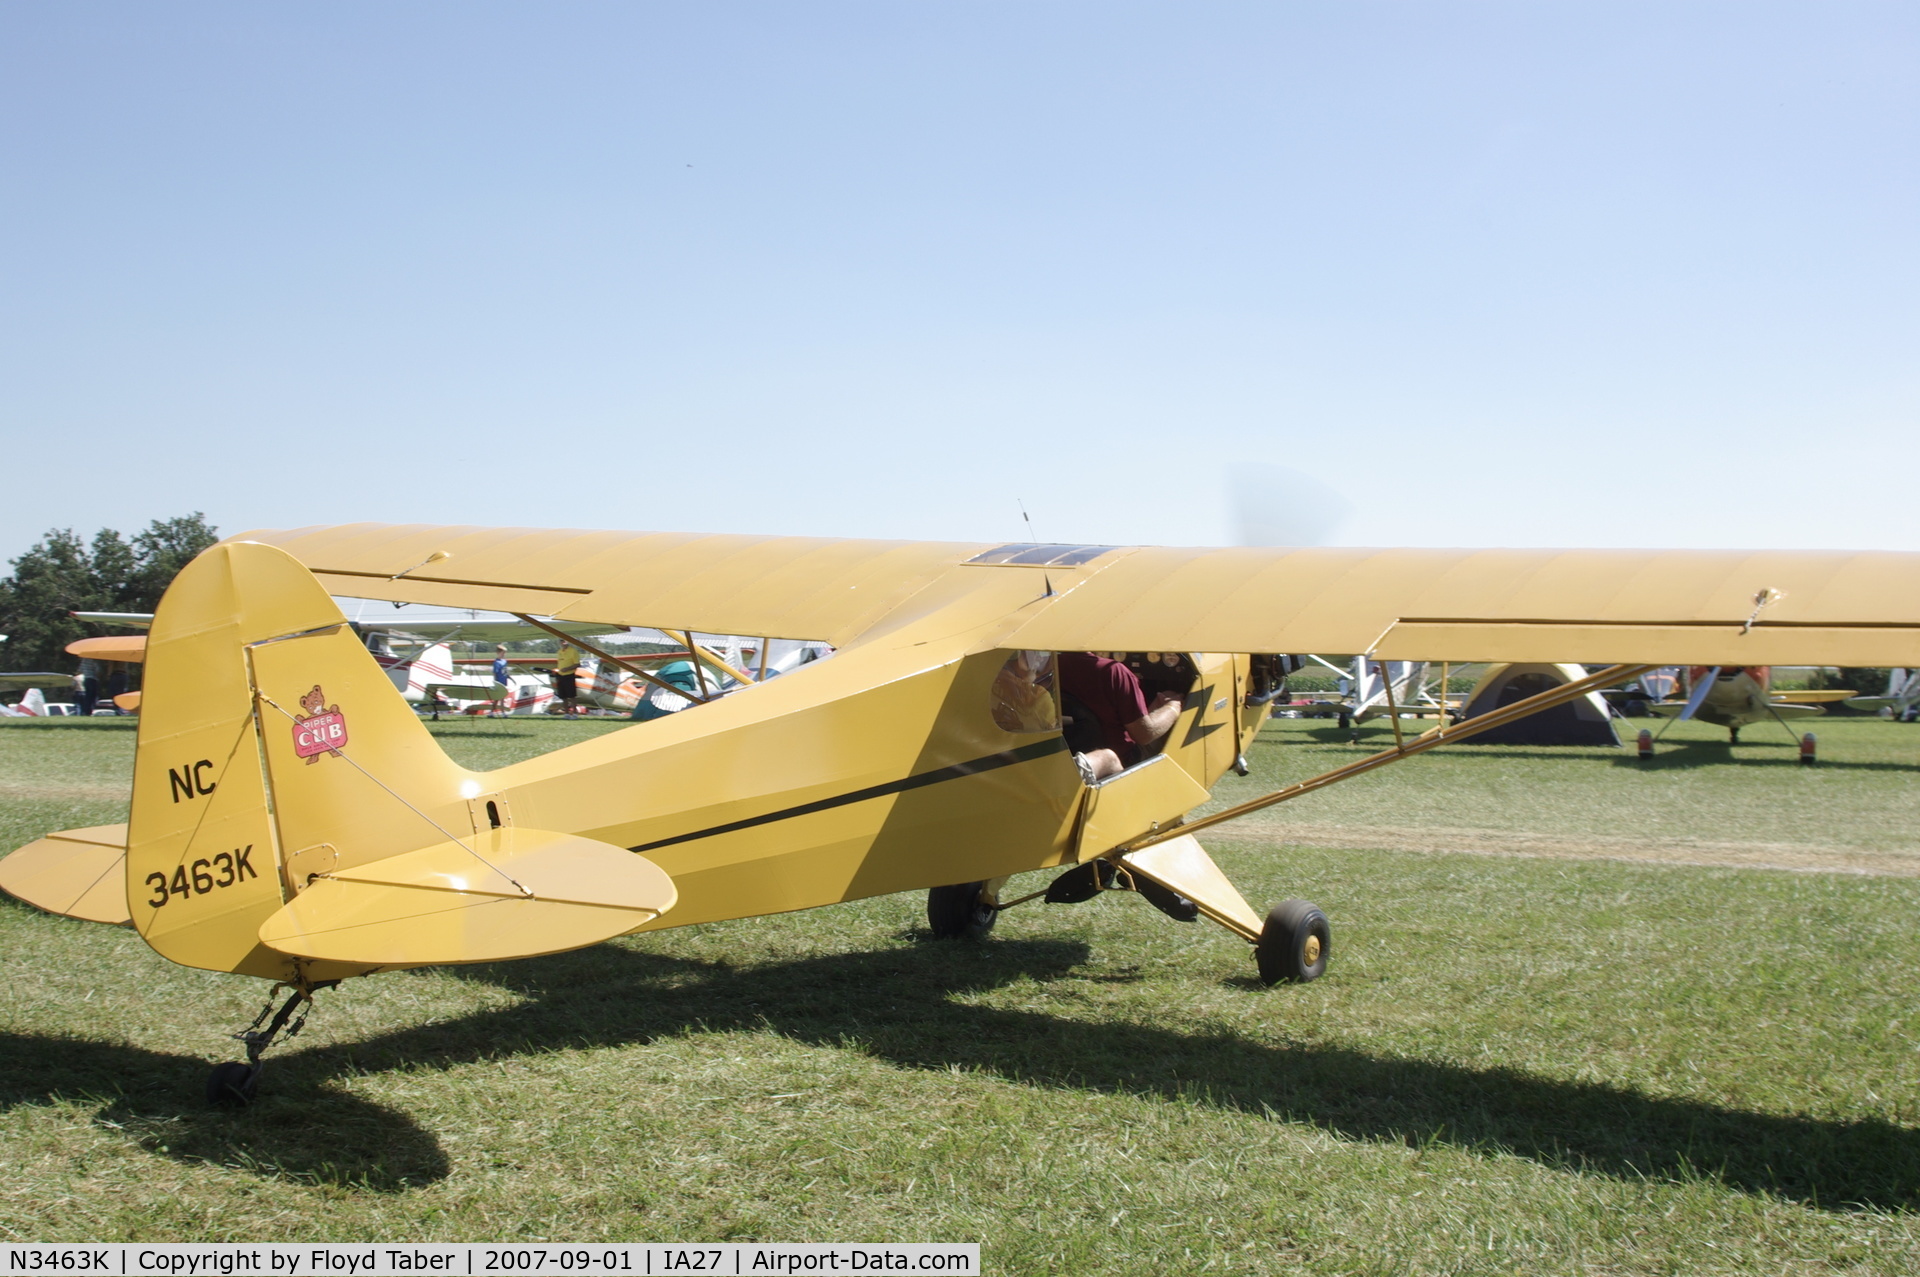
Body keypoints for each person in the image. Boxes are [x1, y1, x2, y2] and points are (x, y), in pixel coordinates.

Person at [1056, 651, 1183, 782]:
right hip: (1122, 760)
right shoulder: (1113, 671)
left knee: (1160, 702)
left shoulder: (1050, 666)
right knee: (1169, 697)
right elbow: (1145, 734)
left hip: (1068, 751)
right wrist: (1173, 707)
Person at [553, 642, 582, 717]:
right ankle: (566, 713)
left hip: (569, 675)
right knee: (563, 696)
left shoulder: (573, 651)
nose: (563, 643)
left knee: (572, 695)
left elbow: (577, 664)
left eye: (564, 641)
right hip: (560, 675)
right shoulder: (559, 651)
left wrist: (567, 669)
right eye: (561, 641)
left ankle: (575, 713)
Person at [491, 645, 509, 717]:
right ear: (498, 652)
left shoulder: (505, 661)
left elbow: (505, 671)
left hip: (504, 681)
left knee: (500, 698)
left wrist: (509, 677)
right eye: (503, 652)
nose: (504, 654)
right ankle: (502, 712)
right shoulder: (496, 662)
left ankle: (492, 712)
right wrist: (496, 682)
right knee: (500, 698)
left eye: (504, 653)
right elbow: (495, 673)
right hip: (499, 682)